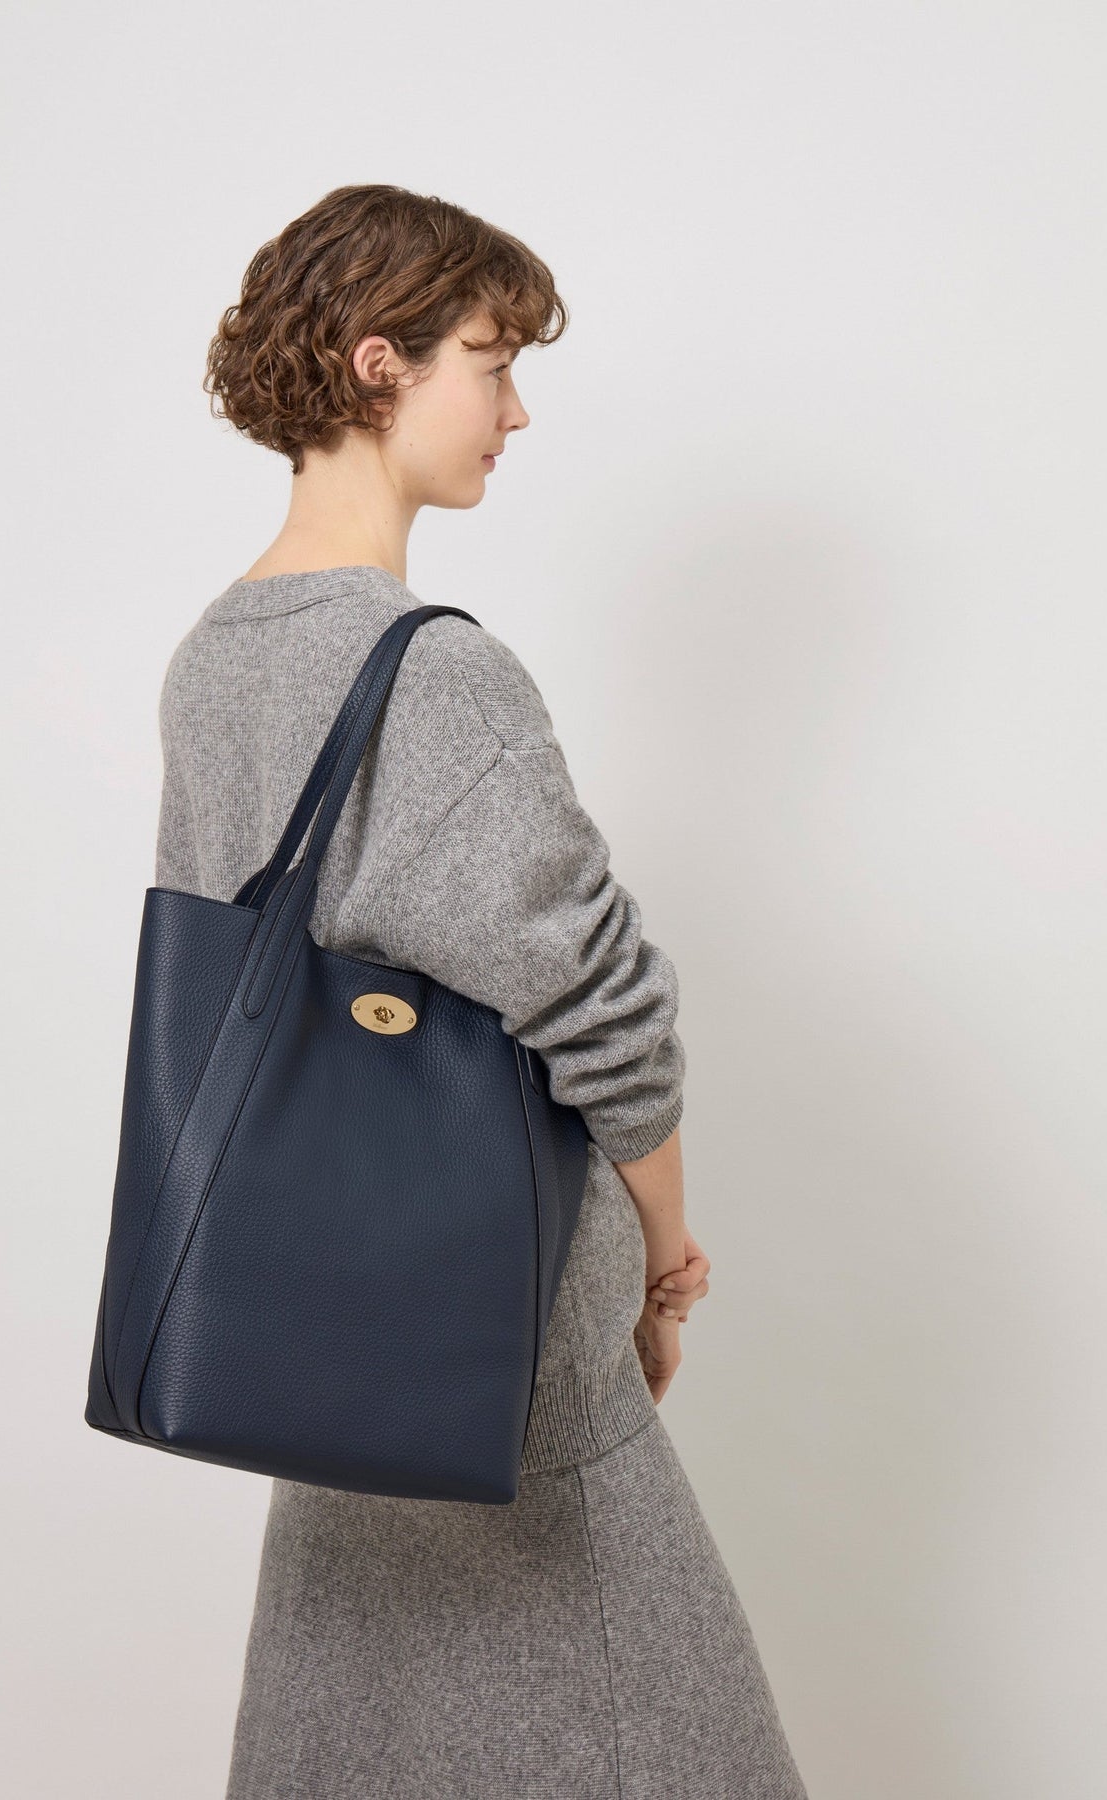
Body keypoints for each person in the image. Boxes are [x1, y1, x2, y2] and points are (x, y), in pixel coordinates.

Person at [158, 184, 808, 1799]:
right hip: (504, 1341)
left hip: (317, 1319)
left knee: (357, 1736)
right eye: (492, 363)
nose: (516, 412)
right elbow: (605, 1013)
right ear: (378, 363)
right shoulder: (436, 672)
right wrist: (665, 1265)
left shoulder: (214, 657)